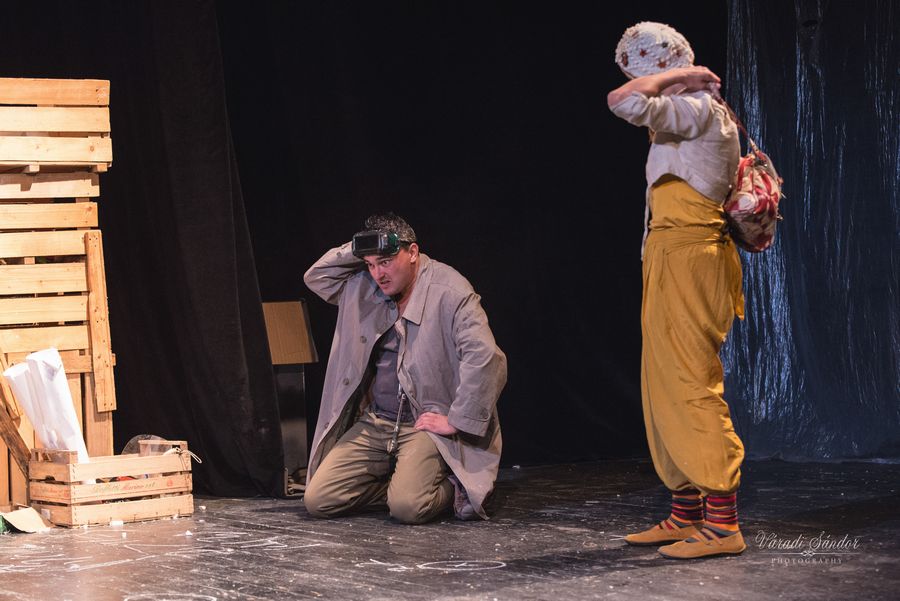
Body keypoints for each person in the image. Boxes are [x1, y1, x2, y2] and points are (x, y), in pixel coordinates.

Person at [607, 22, 747, 559]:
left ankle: (724, 526)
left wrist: (680, 77)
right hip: (668, 254)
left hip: (690, 254)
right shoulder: (687, 113)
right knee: (660, 382)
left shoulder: (698, 108)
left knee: (690, 381)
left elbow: (622, 101)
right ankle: (685, 512)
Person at [302, 212, 507, 524]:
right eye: (369, 264)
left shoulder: (450, 289)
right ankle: (402, 486)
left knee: (409, 508)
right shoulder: (364, 286)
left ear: (412, 252)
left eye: (385, 262)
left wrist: (457, 419)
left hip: (423, 422)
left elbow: (486, 357)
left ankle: (457, 489)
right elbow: (317, 277)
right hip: (378, 420)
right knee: (319, 500)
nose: (378, 274)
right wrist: (361, 247)